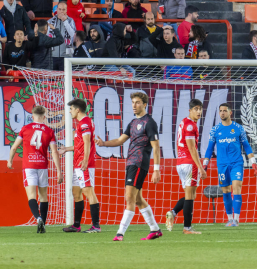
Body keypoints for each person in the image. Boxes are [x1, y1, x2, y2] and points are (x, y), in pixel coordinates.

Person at [95, 92, 162, 241]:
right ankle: (155, 229)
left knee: (129, 198)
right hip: (131, 163)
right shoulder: (132, 123)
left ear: (145, 104)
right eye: (133, 102)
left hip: (139, 163)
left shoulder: (150, 122)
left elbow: (156, 148)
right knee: (138, 199)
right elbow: (120, 140)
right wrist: (104, 143)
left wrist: (156, 169)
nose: (134, 105)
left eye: (137, 102)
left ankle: (120, 233)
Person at [7, 106, 63, 234]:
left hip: (29, 166)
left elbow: (15, 147)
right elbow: (54, 152)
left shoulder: (25, 129)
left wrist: (10, 160)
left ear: (32, 116)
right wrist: (59, 171)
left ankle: (38, 218)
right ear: (44, 117)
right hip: (42, 166)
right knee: (43, 196)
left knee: (31, 196)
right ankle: (43, 224)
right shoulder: (49, 131)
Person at [202, 103, 257, 227]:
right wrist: (204, 164)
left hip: (236, 163)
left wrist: (253, 163)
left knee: (237, 187)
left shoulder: (239, 128)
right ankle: (230, 219)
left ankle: (236, 220)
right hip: (222, 165)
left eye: (225, 111)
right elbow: (210, 148)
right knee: (226, 190)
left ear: (230, 112)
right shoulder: (215, 130)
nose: (222, 113)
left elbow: (247, 146)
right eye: (220, 111)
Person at [59, 99, 100, 233]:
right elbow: (80, 145)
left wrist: (85, 160)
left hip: (84, 164)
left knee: (88, 192)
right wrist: (66, 149)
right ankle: (76, 225)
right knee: (76, 193)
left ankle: (96, 226)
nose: (70, 111)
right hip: (79, 164)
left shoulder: (84, 123)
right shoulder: (83, 123)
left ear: (77, 110)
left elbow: (87, 142)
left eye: (71, 109)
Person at [166, 99, 207, 234]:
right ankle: (187, 228)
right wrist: (200, 167)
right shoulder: (190, 126)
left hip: (181, 163)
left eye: (200, 109)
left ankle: (173, 212)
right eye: (196, 109)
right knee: (190, 196)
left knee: (191, 195)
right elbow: (192, 148)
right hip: (190, 164)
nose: (199, 111)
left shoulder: (184, 122)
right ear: (190, 110)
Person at [47, 2, 77, 71]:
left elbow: (73, 35)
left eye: (63, 9)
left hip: (66, 57)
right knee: (53, 79)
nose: (61, 11)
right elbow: (47, 38)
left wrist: (65, 21)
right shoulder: (50, 21)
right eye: (60, 9)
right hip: (52, 55)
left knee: (65, 79)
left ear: (66, 10)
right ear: (57, 9)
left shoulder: (70, 21)